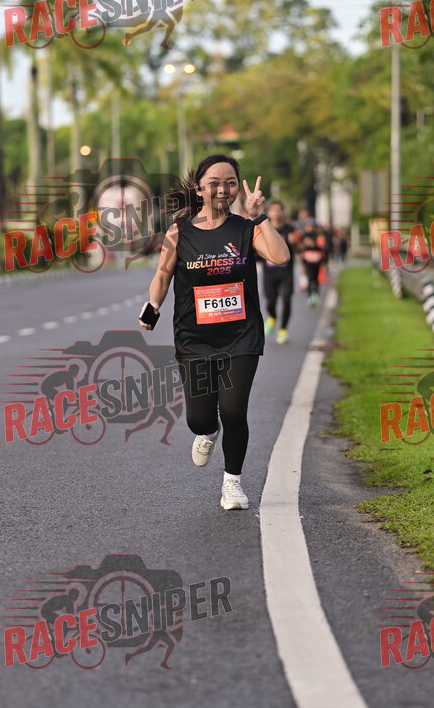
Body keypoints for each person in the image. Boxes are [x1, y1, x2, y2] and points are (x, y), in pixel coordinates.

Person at [138, 153, 290, 510]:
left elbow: (280, 257)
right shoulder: (179, 232)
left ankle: (232, 484)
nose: (223, 189)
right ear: (199, 188)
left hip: (241, 337)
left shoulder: (246, 228)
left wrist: (260, 216)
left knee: (234, 410)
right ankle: (207, 432)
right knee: (199, 418)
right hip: (195, 339)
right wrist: (153, 306)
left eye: (230, 183)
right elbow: (163, 275)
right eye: (215, 183)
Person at [262, 200, 297, 344]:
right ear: (269, 212)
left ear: (283, 212)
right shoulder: (265, 228)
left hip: (286, 272)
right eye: (273, 210)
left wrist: (295, 243)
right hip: (269, 273)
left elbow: (299, 249)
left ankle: (283, 330)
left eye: (279, 210)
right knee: (270, 302)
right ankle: (272, 317)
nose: (276, 213)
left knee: (287, 299)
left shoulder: (290, 229)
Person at [300, 220, 326, 306]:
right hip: (307, 261)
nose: (309, 228)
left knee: (315, 278)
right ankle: (310, 295)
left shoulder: (318, 236)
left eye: (311, 226)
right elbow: (300, 248)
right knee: (310, 278)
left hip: (316, 260)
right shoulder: (304, 236)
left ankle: (316, 293)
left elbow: (322, 247)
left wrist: (313, 244)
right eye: (308, 226)